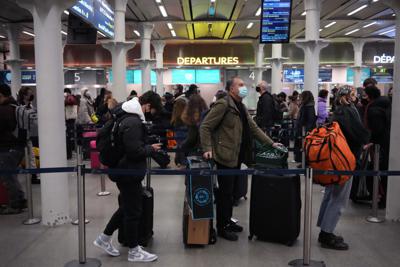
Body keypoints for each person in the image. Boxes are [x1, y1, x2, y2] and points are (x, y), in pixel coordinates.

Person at [200, 76, 281, 241]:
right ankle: (222, 227)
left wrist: (271, 143)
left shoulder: (241, 106)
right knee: (225, 193)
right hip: (224, 156)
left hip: (237, 156)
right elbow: (205, 126)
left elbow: (254, 128)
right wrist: (208, 148)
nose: (244, 87)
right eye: (241, 85)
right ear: (231, 89)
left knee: (232, 193)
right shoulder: (223, 105)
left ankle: (227, 220)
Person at [94, 92, 161, 263]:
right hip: (128, 171)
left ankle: (104, 237)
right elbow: (134, 151)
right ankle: (134, 251)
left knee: (127, 207)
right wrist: (150, 149)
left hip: (122, 169)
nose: (150, 114)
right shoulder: (133, 121)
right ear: (146, 105)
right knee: (133, 212)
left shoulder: (123, 115)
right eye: (151, 110)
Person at [317, 87, 370, 250]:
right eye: (353, 94)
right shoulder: (348, 112)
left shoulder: (337, 111)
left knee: (330, 195)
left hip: (336, 158)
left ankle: (324, 230)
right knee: (339, 199)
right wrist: (366, 139)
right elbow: (358, 133)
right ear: (347, 96)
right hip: (345, 160)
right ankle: (326, 234)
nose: (356, 97)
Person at [364, 85, 391, 208]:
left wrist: (371, 142)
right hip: (386, 143)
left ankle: (380, 199)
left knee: (374, 171)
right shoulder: (386, 104)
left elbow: (377, 129)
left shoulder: (374, 109)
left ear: (369, 95)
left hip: (378, 147)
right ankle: (380, 196)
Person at [0, 84, 26, 214]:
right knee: (12, 175)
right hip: (18, 147)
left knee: (8, 177)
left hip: (7, 148)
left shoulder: (3, 110)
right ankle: (21, 200)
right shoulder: (15, 107)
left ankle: (16, 205)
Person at [294, 91, 317, 163]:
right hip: (303, 130)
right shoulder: (307, 106)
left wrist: (307, 131)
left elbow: (310, 120)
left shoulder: (308, 107)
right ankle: (303, 162)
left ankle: (305, 163)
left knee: (305, 148)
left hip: (305, 131)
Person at [170, 98, 187, 167]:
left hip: (177, 133)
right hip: (184, 133)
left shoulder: (175, 115)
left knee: (179, 146)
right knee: (182, 147)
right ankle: (182, 162)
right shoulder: (185, 116)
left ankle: (178, 161)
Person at [64, 89, 78, 159]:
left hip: (68, 121)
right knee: (70, 138)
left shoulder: (68, 99)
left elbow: (69, 102)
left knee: (68, 139)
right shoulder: (73, 99)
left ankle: (69, 154)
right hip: (71, 120)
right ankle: (70, 154)